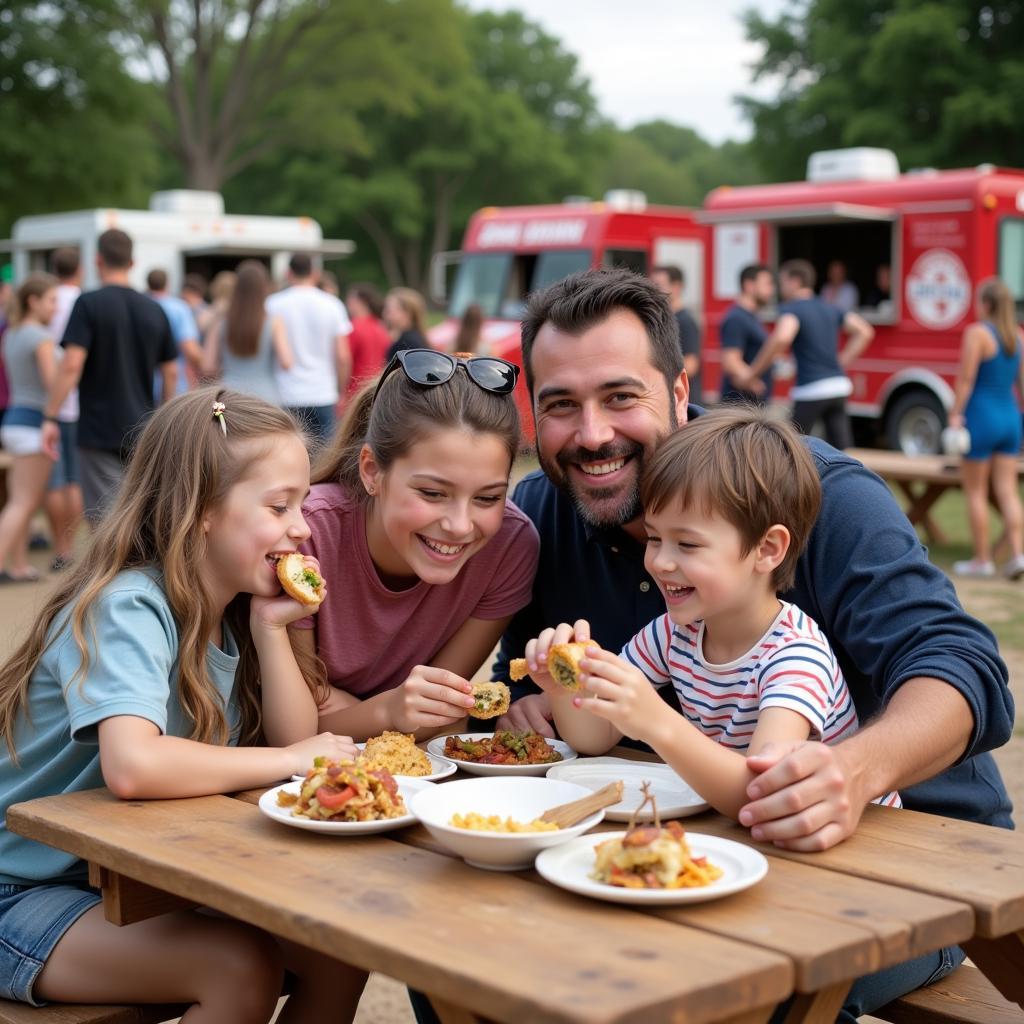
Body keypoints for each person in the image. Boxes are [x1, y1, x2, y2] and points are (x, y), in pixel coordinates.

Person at [488, 267, 1012, 1023]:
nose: (592, 433)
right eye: (561, 405)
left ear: (679, 387)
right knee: (477, 955)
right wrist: (539, 701)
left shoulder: (820, 497)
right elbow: (551, 706)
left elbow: (963, 668)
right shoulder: (540, 513)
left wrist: (853, 771)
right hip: (706, 848)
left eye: (620, 396)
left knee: (717, 992)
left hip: (918, 859)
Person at [0, 386, 368, 1018]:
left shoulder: (230, 615)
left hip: (125, 878)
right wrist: (295, 759)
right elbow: (134, 766)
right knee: (235, 967)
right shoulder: (130, 605)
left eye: (302, 504)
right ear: (201, 508)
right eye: (279, 506)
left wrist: (272, 630)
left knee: (341, 940)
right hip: (22, 891)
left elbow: (290, 740)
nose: (302, 528)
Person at [520, 407, 899, 818]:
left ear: (768, 549)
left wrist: (656, 721)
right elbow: (597, 738)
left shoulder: (794, 657)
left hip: (862, 843)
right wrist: (566, 691)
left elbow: (762, 794)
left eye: (687, 544)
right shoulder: (672, 634)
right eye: (654, 538)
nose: (660, 562)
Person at [284, 348, 539, 742]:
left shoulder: (510, 545)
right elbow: (295, 725)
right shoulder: (304, 536)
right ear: (372, 471)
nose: (458, 525)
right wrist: (390, 710)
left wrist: (379, 712)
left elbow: (437, 710)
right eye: (433, 493)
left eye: (488, 498)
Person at [40, 230, 177, 524]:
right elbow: (170, 370)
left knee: (104, 520)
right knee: (140, 513)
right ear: (132, 262)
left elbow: (72, 365)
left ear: (98, 260)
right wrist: (165, 414)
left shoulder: (88, 304)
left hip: (97, 427)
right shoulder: (154, 309)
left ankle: (117, 570)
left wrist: (51, 415)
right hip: (144, 425)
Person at [743, 259, 874, 450]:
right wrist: (840, 361)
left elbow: (781, 338)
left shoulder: (793, 309)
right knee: (842, 450)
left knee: (788, 447)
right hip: (838, 386)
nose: (781, 289)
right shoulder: (829, 307)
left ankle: (785, 481)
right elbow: (865, 331)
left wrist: (754, 371)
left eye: (783, 282)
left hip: (811, 389)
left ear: (795, 281)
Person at [948, 278, 1024, 580]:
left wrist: (955, 413)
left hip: (981, 417)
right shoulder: (1017, 336)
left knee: (976, 491)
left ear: (987, 304)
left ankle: (982, 559)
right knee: (1008, 492)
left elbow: (966, 379)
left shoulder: (977, 333)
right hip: (1010, 418)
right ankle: (1018, 554)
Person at [0, 274, 60, 583]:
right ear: (33, 301)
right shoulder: (40, 337)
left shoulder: (12, 333)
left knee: (20, 501)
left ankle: (19, 565)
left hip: (14, 421)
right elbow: (53, 383)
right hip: (33, 424)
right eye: (51, 300)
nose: (56, 308)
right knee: (23, 502)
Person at [267, 254, 352, 445]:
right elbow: (343, 356)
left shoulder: (272, 304)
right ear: (315, 273)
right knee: (324, 462)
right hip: (322, 392)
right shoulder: (333, 304)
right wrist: (341, 391)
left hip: (285, 393)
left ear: (288, 273)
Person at [201, 259, 292, 405]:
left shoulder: (221, 322)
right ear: (264, 287)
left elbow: (208, 366)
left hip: (229, 396)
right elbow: (287, 362)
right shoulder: (273, 322)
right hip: (266, 397)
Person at [44, 247, 84, 571]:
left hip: (52, 399)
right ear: (80, 268)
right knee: (74, 479)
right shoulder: (84, 300)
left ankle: (61, 548)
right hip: (81, 402)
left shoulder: (47, 301)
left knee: (56, 479)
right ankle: (75, 545)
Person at [719, 264, 775, 404]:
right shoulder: (737, 318)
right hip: (739, 407)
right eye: (767, 284)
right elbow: (731, 360)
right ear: (749, 285)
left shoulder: (752, 317)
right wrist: (753, 382)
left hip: (751, 404)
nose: (772, 290)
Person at [146, 268, 201, 397]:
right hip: (175, 386)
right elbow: (190, 349)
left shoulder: (140, 306)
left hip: (142, 385)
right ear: (167, 284)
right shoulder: (179, 308)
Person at [651, 265, 701, 403]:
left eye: (659, 285)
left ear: (677, 286)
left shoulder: (685, 321)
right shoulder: (665, 319)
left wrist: (655, 375)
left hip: (684, 402)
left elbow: (691, 365)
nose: (654, 291)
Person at [343, 283, 390, 403]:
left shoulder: (352, 327)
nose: (347, 303)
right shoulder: (381, 326)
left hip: (354, 391)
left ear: (360, 301)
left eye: (350, 299)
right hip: (375, 387)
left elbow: (344, 359)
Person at [383, 288, 428, 361]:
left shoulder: (408, 344)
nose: (384, 313)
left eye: (389, 310)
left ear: (407, 313)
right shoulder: (412, 337)